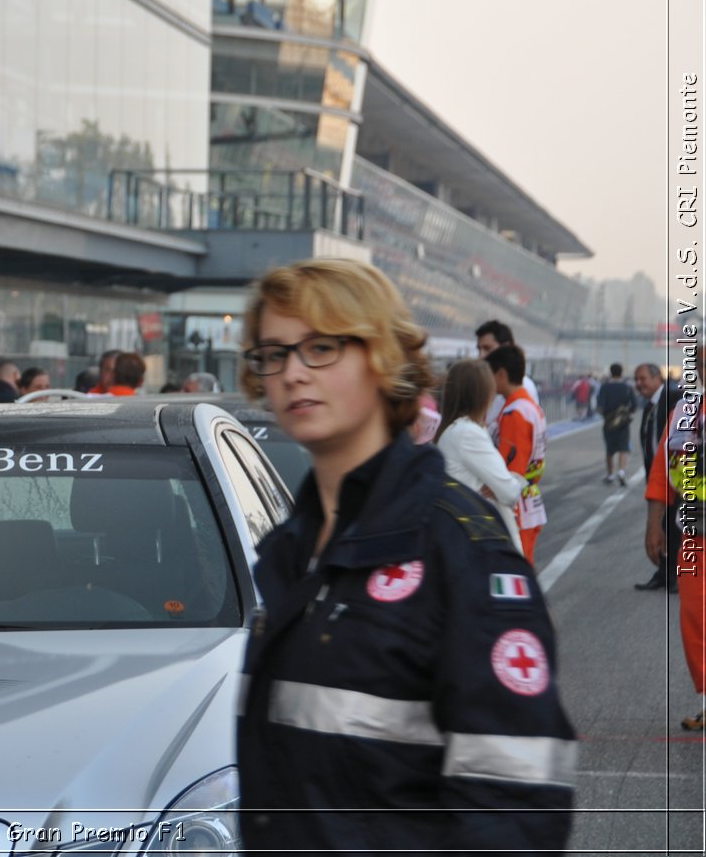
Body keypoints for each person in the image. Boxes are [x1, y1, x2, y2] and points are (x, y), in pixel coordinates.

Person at [236, 258, 574, 854]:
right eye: (272, 353)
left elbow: (516, 809)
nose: (290, 373)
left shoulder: (463, 550)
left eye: (319, 348)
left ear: (381, 359)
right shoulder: (293, 547)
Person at [644, 343, 703, 727]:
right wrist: (654, 523)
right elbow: (666, 468)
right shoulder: (685, 410)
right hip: (697, 529)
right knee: (696, 615)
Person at [434, 360, 526, 554]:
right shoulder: (468, 433)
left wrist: (499, 486)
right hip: (482, 537)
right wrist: (517, 480)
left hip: (466, 534)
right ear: (482, 394)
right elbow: (509, 492)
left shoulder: (453, 430)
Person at [486, 344, 548, 566]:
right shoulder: (527, 406)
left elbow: (512, 471)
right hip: (527, 502)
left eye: (488, 375)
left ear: (501, 374)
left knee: (516, 574)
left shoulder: (515, 413)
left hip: (517, 509)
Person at [634, 362, 682, 590]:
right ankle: (664, 573)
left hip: (677, 477)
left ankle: (676, 575)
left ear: (657, 379)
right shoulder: (650, 406)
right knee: (663, 525)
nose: (639, 384)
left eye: (642, 378)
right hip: (659, 475)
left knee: (674, 527)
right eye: (637, 379)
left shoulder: (675, 396)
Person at [475, 320, 539, 434]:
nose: (481, 355)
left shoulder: (523, 387)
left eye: (487, 348)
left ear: (507, 347)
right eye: (479, 349)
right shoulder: (480, 383)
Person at [596, 363, 637, 485]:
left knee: (610, 449)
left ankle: (610, 475)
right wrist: (627, 413)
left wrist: (606, 415)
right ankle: (622, 472)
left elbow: (600, 405)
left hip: (609, 422)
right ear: (621, 372)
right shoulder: (627, 387)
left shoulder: (605, 387)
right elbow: (634, 404)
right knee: (623, 448)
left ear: (611, 372)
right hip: (623, 422)